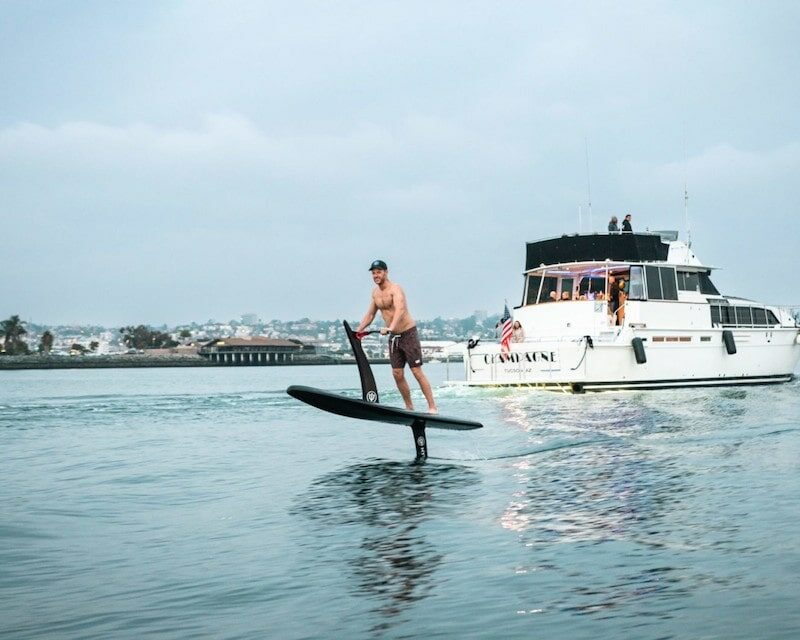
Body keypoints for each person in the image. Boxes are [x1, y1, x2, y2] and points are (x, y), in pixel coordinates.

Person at [356, 259, 437, 413]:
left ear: (386, 272)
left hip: (408, 334)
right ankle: (409, 406)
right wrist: (358, 330)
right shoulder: (375, 293)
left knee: (416, 371)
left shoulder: (395, 289)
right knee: (397, 373)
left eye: (379, 272)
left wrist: (390, 327)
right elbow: (371, 314)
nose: (376, 275)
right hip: (394, 338)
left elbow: (400, 310)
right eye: (373, 273)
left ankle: (432, 407)